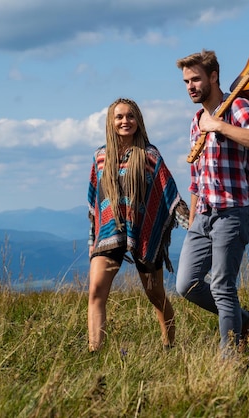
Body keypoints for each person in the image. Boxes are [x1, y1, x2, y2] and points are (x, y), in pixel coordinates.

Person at [175, 50, 249, 352]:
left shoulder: (238, 107)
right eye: (186, 81)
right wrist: (193, 221)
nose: (190, 86)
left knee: (221, 287)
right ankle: (247, 322)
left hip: (232, 213)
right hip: (203, 215)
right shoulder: (196, 121)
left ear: (213, 76)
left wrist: (219, 126)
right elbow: (196, 179)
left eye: (196, 79)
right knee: (186, 285)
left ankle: (229, 363)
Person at [87, 98, 189, 352]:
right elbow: (95, 205)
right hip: (109, 233)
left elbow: (168, 194)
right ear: (111, 122)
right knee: (96, 293)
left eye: (130, 116)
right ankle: (94, 351)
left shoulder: (150, 156)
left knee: (155, 295)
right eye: (119, 117)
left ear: (138, 121)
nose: (125, 121)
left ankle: (169, 346)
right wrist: (92, 241)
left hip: (144, 232)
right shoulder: (101, 157)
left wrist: (195, 226)